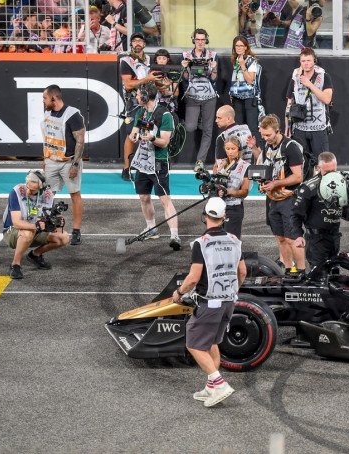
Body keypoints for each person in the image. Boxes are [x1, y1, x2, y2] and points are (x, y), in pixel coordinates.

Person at [171, 197, 246, 408]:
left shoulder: (200, 244)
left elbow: (194, 278)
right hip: (229, 301)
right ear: (224, 217)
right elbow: (242, 271)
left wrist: (179, 292)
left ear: (205, 216)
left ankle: (219, 383)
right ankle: (211, 387)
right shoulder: (235, 240)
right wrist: (234, 291)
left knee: (193, 344)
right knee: (212, 342)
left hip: (209, 302)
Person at [128, 81, 181, 250]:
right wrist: (135, 137)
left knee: (165, 199)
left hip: (158, 161)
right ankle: (151, 228)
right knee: (144, 196)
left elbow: (164, 142)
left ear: (144, 97)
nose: (136, 97)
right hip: (143, 160)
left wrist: (151, 139)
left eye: (138, 95)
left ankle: (175, 235)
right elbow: (132, 134)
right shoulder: (141, 112)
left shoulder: (165, 115)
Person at [251, 114, 306, 274]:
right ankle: (288, 271)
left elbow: (298, 176)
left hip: (290, 199)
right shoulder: (268, 147)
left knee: (292, 238)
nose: (265, 138)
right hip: (273, 200)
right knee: (280, 238)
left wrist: (275, 183)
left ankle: (301, 272)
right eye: (263, 135)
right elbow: (266, 172)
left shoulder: (291, 147)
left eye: (268, 135)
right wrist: (263, 185)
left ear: (277, 130)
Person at [292, 152, 349, 277]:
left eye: (334, 170)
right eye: (327, 171)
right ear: (318, 168)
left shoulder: (344, 181)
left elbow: (347, 210)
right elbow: (296, 214)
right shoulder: (308, 188)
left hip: (334, 237)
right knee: (319, 275)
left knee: (335, 275)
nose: (332, 175)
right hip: (316, 241)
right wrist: (298, 235)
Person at [40, 85, 86, 246]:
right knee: (47, 196)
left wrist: (75, 164)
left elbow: (80, 141)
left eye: (45, 98)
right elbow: (47, 138)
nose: (43, 101)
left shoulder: (72, 114)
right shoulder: (47, 112)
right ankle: (47, 227)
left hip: (68, 162)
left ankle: (76, 231)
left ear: (54, 98)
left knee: (74, 194)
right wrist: (45, 160)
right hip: (51, 161)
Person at [3, 170, 69, 279]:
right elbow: (16, 222)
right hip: (13, 232)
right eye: (27, 187)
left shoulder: (48, 195)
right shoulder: (16, 192)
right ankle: (15, 264)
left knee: (63, 237)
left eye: (32, 190)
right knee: (28, 232)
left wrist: (56, 221)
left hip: (36, 230)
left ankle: (35, 255)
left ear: (41, 189)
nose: (28, 192)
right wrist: (36, 226)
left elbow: (48, 219)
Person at [120, 32, 162, 181]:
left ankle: (146, 166)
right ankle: (126, 168)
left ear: (144, 44)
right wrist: (148, 78)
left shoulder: (150, 60)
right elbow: (128, 84)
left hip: (149, 103)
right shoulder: (126, 60)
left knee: (148, 133)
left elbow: (154, 81)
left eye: (140, 41)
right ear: (131, 44)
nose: (137, 43)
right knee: (131, 134)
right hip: (134, 103)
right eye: (134, 41)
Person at [285, 47, 333, 169]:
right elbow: (288, 105)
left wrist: (309, 84)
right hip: (300, 128)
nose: (306, 63)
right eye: (303, 61)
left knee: (322, 163)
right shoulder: (295, 80)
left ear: (314, 61)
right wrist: (287, 127)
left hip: (318, 128)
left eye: (308, 60)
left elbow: (327, 99)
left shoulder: (324, 77)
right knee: (302, 165)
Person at [181, 28, 219, 169]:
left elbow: (214, 79)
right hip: (192, 95)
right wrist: (184, 68)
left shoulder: (212, 55)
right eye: (198, 39)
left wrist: (214, 68)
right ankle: (199, 120)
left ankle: (200, 161)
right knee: (190, 127)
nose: (200, 42)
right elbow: (185, 78)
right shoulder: (185, 55)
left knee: (208, 131)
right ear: (193, 40)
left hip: (209, 96)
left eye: (203, 39)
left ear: (206, 40)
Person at [213, 136, 250, 237]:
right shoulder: (219, 164)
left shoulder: (245, 166)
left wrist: (228, 192)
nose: (230, 152)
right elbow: (214, 183)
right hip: (218, 206)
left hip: (234, 207)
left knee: (232, 240)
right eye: (227, 149)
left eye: (233, 149)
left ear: (239, 149)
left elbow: (245, 192)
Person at [229, 36, 262, 144]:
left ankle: (258, 155)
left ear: (246, 47)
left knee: (252, 127)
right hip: (237, 98)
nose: (239, 48)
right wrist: (232, 91)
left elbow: (250, 80)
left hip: (249, 98)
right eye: (237, 46)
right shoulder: (235, 60)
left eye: (241, 46)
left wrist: (243, 65)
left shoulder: (251, 61)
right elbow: (235, 78)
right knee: (238, 127)